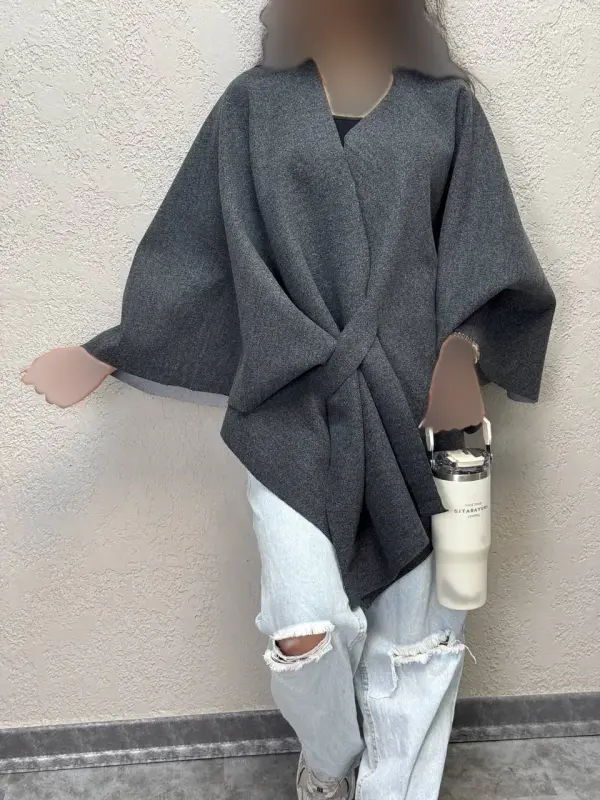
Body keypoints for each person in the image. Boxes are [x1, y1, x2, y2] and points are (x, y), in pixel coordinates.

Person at [22, 1, 556, 797]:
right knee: (304, 628)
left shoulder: (446, 107)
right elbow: (197, 257)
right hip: (292, 410)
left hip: (419, 414)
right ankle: (330, 765)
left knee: (418, 650)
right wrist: (111, 350)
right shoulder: (252, 106)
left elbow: (488, 253)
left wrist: (461, 350)